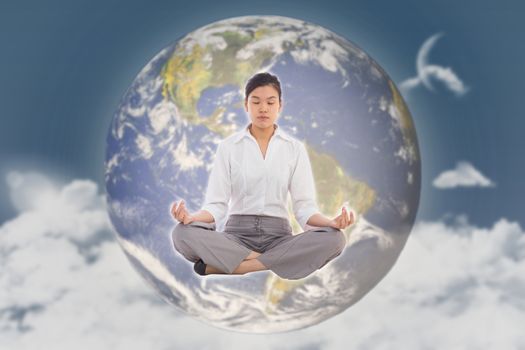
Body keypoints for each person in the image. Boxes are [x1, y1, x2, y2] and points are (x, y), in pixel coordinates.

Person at [170, 72, 354, 280]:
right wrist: (191, 218)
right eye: (256, 101)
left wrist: (331, 223)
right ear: (246, 105)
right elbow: (217, 205)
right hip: (236, 237)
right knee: (182, 234)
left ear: (280, 106)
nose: (263, 108)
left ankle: (240, 266)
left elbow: (304, 208)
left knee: (335, 240)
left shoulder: (294, 149)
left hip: (279, 238)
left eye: (270, 102)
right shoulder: (229, 147)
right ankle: (273, 260)